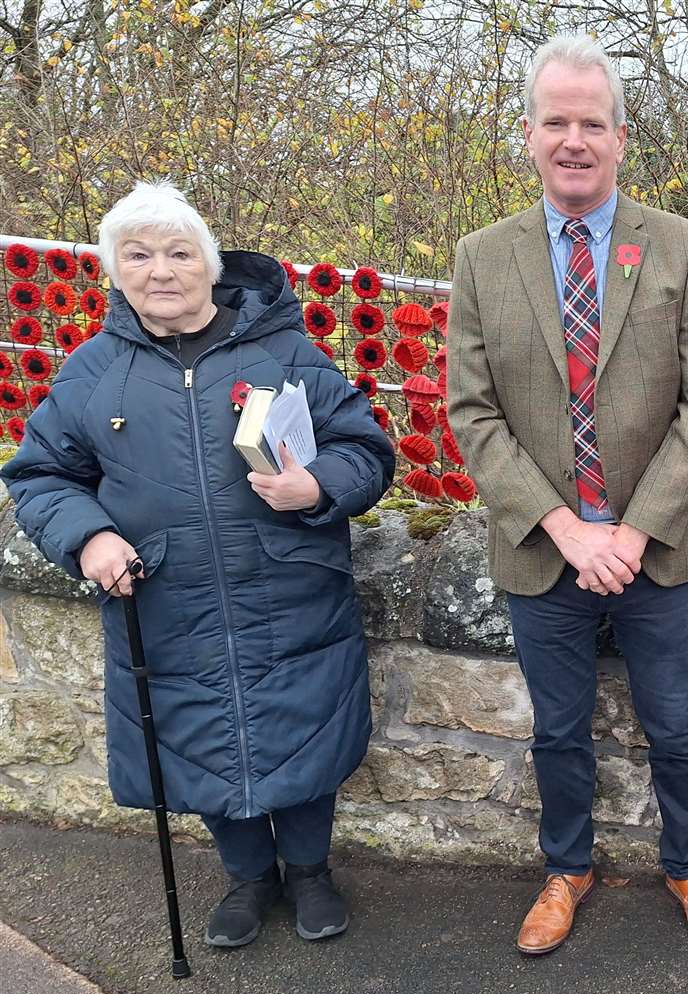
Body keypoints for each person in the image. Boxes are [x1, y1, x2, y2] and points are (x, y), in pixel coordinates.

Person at [1, 181, 395, 947]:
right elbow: (41, 476)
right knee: (199, 734)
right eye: (139, 255)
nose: (161, 271)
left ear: (208, 265)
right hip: (165, 599)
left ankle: (311, 873)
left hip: (289, 591)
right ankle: (249, 880)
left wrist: (318, 485)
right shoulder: (93, 372)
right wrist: (88, 538)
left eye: (179, 252)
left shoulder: (285, 351)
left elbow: (367, 450)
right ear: (116, 271)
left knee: (303, 730)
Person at [446, 35, 688, 955]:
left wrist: (633, 531)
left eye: (592, 123)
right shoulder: (483, 257)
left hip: (660, 546)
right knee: (561, 731)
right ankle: (565, 869)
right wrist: (568, 528)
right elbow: (473, 411)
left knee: (677, 725)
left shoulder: (684, 249)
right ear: (529, 136)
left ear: (620, 137)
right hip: (544, 547)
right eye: (555, 121)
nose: (574, 139)